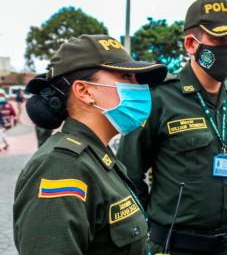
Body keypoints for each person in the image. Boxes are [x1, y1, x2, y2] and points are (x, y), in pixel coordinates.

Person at [118, 0, 227, 255]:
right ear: (192, 44)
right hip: (176, 245)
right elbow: (128, 174)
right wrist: (151, 226)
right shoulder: (160, 97)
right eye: (219, 40)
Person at [13, 35, 167, 254]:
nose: (139, 87)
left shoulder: (98, 157)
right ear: (84, 91)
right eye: (126, 76)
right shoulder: (61, 168)